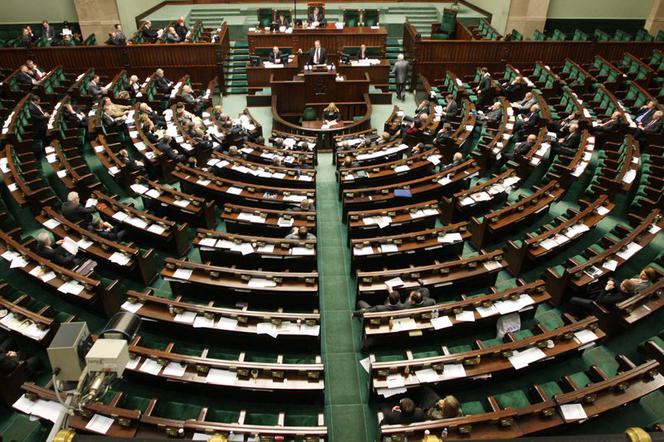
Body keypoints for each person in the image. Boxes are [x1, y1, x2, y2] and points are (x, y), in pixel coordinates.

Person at [570, 278, 636, 313]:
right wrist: (612, 281)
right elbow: (618, 284)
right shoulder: (629, 291)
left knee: (573, 299)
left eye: (622, 283)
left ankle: (577, 314)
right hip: (605, 302)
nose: (620, 283)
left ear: (624, 288)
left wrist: (606, 290)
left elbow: (599, 301)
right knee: (597, 288)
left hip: (600, 307)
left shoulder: (619, 297)